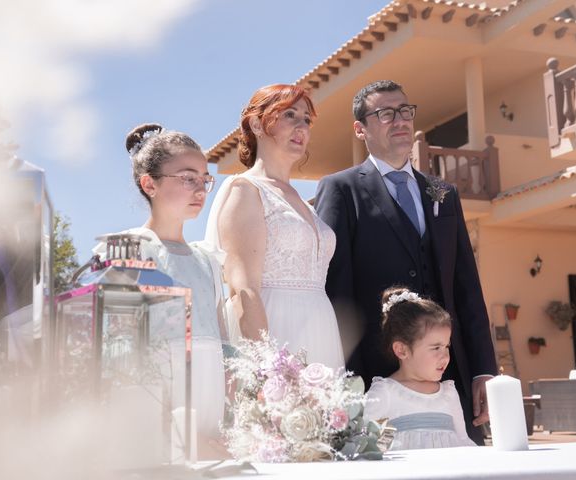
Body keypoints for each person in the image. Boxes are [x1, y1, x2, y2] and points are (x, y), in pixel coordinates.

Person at [314, 80, 496, 444]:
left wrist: (483, 371)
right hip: (379, 375)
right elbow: (336, 289)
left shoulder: (443, 193)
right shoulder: (342, 189)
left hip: (451, 372)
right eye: (385, 113)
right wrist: (350, 380)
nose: (399, 120)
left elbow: (467, 286)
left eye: (404, 111)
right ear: (360, 128)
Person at [95, 123, 227, 457]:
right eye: (187, 178)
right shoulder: (130, 250)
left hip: (209, 406)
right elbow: (119, 353)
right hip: (157, 415)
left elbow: (221, 344)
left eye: (204, 179)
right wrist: (174, 430)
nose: (200, 189)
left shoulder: (207, 259)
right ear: (149, 183)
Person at [205, 84, 344, 369]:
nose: (301, 126)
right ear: (257, 124)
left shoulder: (305, 204)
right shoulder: (245, 189)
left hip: (320, 331)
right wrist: (271, 367)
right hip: (277, 332)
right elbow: (243, 289)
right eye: (290, 115)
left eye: (306, 119)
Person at [363, 287, 476, 450]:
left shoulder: (448, 393)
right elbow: (371, 446)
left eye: (446, 347)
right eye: (436, 347)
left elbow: (463, 441)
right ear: (402, 350)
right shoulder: (386, 392)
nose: (445, 356)